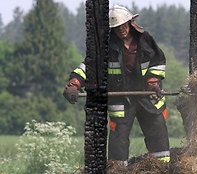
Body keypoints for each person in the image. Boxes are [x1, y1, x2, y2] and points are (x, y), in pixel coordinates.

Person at [63, 5, 170, 166]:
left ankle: (162, 168)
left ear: (131, 22)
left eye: (123, 25)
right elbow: (90, 66)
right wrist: (74, 83)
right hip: (121, 101)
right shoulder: (106, 46)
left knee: (158, 136)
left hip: (148, 97)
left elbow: (158, 61)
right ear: (111, 29)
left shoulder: (145, 39)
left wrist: (153, 82)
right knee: (117, 144)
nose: (121, 30)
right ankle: (117, 170)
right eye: (117, 27)